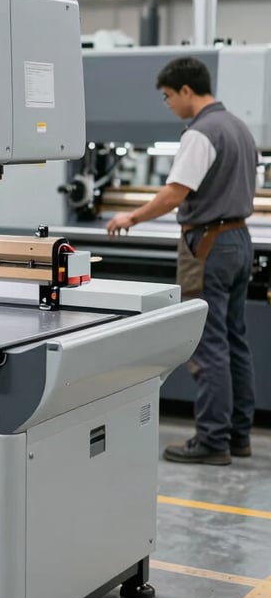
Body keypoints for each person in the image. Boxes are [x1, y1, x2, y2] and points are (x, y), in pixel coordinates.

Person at [107, 56, 256, 465]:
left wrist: (131, 217)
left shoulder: (201, 133)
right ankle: (238, 435)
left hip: (208, 246)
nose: (169, 104)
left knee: (208, 346)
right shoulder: (239, 128)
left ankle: (212, 441)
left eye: (169, 97)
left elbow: (175, 194)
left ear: (187, 91)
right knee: (235, 342)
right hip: (240, 240)